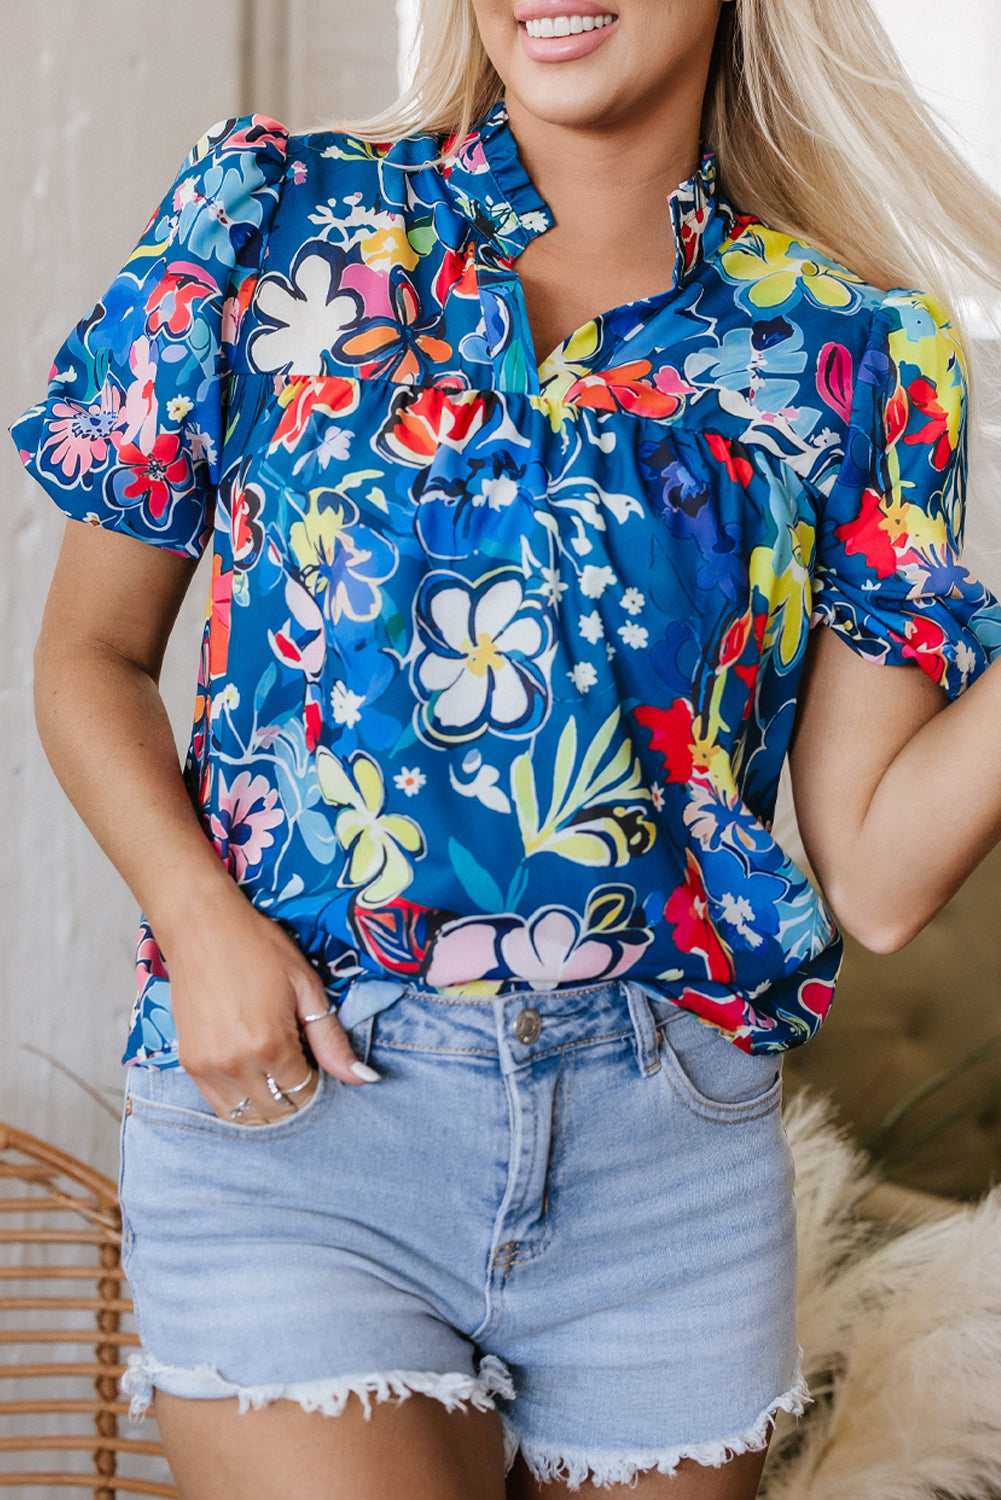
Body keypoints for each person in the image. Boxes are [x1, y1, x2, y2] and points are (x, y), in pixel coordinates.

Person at [12, 0, 1001, 1495]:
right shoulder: (276, 219)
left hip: (663, 1161)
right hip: (304, 1116)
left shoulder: (862, 348)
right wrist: (199, 924)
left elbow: (872, 874)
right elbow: (88, 657)